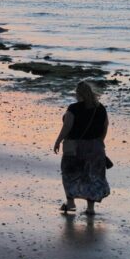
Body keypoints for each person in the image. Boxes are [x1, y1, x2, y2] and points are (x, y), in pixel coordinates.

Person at [53, 80, 110, 215]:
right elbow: (105, 126)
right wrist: (99, 142)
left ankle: (71, 202)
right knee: (92, 176)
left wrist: (58, 141)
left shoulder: (73, 108)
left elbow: (67, 126)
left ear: (79, 94)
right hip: (96, 147)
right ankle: (90, 208)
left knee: (69, 173)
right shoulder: (100, 108)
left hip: (75, 147)